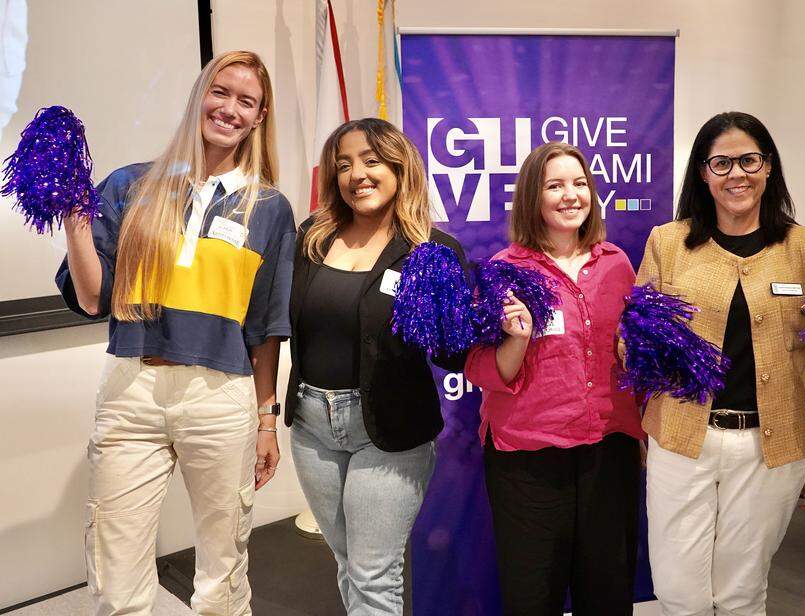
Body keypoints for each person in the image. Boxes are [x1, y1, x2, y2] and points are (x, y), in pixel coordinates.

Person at [55, 50, 294, 615]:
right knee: (115, 575)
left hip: (221, 398)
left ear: (259, 117)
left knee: (221, 571)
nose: (229, 109)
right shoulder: (130, 185)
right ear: (199, 95)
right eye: (220, 92)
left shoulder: (269, 208)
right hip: (131, 393)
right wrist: (74, 224)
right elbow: (92, 298)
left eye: (246, 101)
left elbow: (265, 329)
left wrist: (267, 420)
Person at [637, 112, 805, 615]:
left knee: (742, 591)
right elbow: (633, 344)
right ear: (703, 174)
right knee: (677, 592)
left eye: (749, 160)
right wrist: (655, 344)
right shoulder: (667, 243)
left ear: (768, 167)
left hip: (771, 449)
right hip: (682, 440)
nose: (737, 174)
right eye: (722, 163)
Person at [284, 118, 469, 615]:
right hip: (310, 425)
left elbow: (456, 354)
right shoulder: (311, 238)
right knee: (348, 562)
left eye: (370, 160)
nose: (356, 174)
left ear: (398, 166)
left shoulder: (433, 251)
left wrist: (445, 310)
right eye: (344, 164)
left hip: (388, 429)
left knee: (372, 574)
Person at [465, 142, 645, 616]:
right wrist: (517, 341)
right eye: (555, 185)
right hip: (528, 461)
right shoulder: (506, 270)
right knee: (532, 597)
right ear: (533, 197)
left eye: (580, 183)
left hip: (609, 451)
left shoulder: (618, 264)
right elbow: (484, 370)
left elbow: (631, 359)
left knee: (607, 594)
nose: (571, 195)